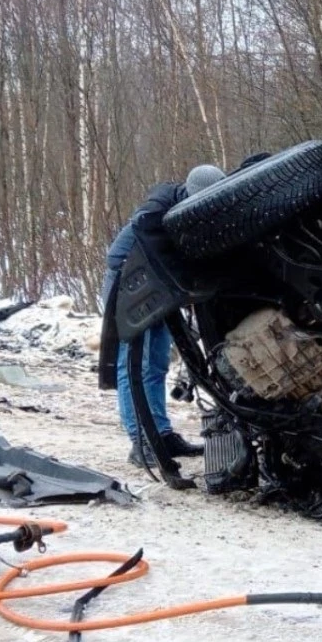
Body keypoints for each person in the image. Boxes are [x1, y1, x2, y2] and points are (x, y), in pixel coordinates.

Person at [103, 164, 226, 466]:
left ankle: (161, 433)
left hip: (160, 293)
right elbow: (117, 257)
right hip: (130, 288)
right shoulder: (154, 214)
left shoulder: (187, 213)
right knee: (132, 365)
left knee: (155, 365)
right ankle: (141, 440)